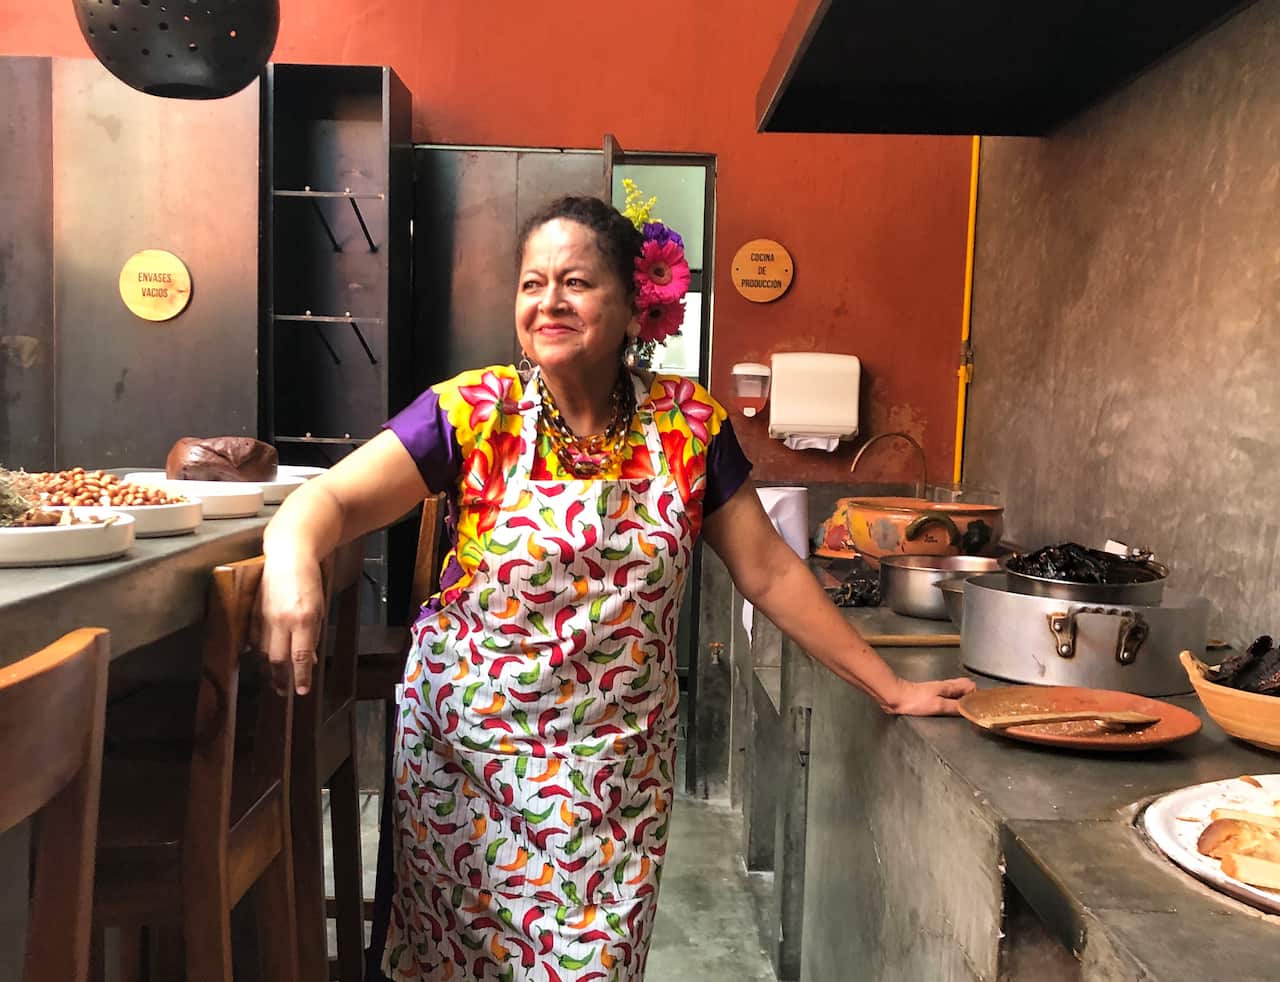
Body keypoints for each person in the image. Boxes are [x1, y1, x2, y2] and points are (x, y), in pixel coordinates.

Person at [251, 195, 975, 981]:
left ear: (635, 308)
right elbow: (328, 500)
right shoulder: (473, 413)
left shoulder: (687, 426)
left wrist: (891, 686)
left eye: (575, 282)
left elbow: (767, 571)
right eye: (532, 284)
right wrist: (293, 557)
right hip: (469, 771)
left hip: (614, 780)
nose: (548, 302)